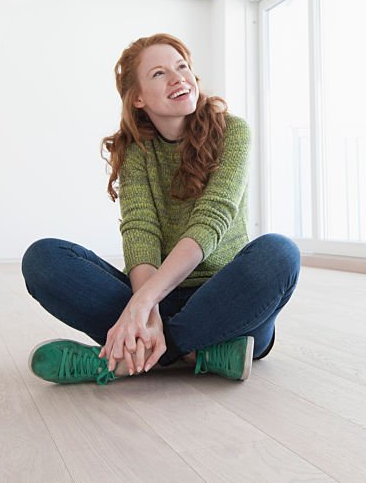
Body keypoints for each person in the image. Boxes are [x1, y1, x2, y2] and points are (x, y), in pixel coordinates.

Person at [21, 33, 300, 385]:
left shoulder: (233, 132)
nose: (177, 77)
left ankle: (125, 360)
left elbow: (212, 219)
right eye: (158, 73)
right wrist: (146, 306)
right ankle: (194, 351)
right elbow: (140, 231)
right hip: (157, 295)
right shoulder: (136, 151)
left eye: (181, 67)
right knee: (43, 258)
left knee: (279, 254)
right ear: (137, 98)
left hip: (223, 303)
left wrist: (142, 305)